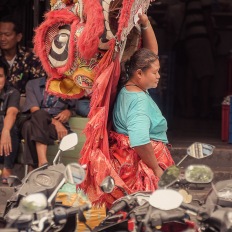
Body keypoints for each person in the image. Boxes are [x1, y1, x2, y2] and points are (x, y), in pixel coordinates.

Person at [20, 77, 77, 169]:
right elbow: (34, 110)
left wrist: (68, 112)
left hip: (54, 129)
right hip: (40, 120)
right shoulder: (33, 84)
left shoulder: (69, 85)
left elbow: (74, 108)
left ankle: (33, 168)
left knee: (28, 127)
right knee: (37, 117)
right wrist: (56, 123)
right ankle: (42, 162)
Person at [0, 15, 46, 95]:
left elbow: (38, 87)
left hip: (25, 104)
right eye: (0, 34)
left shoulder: (31, 57)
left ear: (18, 37)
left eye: (7, 35)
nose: (2, 39)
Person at [0, 60, 20, 183]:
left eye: (0, 76)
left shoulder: (12, 93)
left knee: (10, 127)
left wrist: (5, 131)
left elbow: (12, 113)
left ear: (5, 78)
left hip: (5, 136)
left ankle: (7, 169)